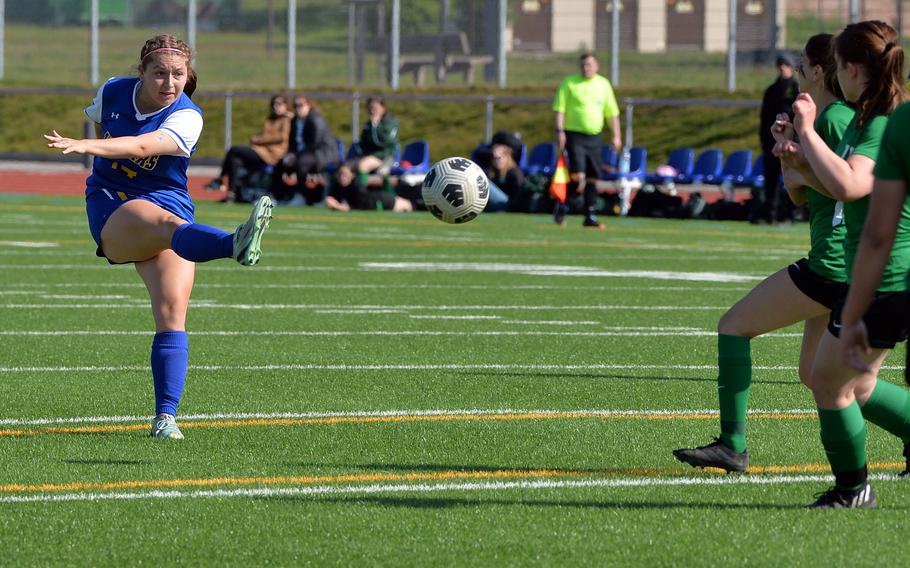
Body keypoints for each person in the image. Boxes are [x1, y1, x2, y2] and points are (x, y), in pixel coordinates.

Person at [44, 34, 273, 440]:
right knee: (165, 227)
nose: (169, 83)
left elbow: (143, 144)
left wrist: (89, 145)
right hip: (113, 202)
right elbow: (105, 121)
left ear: (189, 76)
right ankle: (230, 244)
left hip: (168, 201)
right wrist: (97, 150)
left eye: (178, 74)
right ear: (141, 73)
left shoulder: (188, 116)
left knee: (171, 312)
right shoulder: (114, 90)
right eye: (160, 74)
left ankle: (165, 417)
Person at [672, 34, 855, 473]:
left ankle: (733, 444)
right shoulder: (828, 118)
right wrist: (788, 154)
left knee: (734, 327)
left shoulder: (833, 119)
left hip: (834, 262)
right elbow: (797, 193)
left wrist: (798, 158)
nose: (798, 72)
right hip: (840, 259)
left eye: (803, 64)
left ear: (819, 70)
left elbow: (845, 186)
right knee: (817, 377)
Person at [782, 21, 910, 508]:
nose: (835, 75)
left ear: (854, 69)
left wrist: (808, 131)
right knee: (849, 383)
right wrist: (798, 156)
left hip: (887, 278)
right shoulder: (866, 118)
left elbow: (850, 186)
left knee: (830, 382)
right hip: (881, 276)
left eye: (838, 67)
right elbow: (838, 187)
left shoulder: (883, 123)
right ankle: (854, 487)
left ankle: (854, 489)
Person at [552, 52, 621, 229]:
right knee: (578, 176)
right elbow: (560, 109)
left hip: (595, 137)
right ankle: (562, 205)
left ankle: (589, 215)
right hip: (574, 135)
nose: (586, 68)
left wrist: (616, 135)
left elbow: (611, 113)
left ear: (596, 66)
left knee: (592, 178)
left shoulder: (603, 84)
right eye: (583, 65)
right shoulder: (570, 83)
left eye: (589, 65)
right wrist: (560, 131)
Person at [206, 94, 291, 202]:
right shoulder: (270, 119)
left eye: (279, 104)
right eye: (274, 104)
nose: (276, 106)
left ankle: (220, 179)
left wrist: (259, 140)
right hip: (261, 150)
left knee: (234, 150)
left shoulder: (287, 119)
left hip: (271, 154)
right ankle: (232, 194)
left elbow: (281, 137)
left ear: (285, 105)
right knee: (235, 161)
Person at [754, 54, 799, 224]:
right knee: (771, 181)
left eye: (786, 64)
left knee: (791, 179)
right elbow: (764, 118)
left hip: (791, 143)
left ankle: (790, 214)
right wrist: (765, 141)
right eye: (780, 64)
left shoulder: (796, 89)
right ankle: (770, 214)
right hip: (771, 143)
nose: (782, 68)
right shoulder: (771, 90)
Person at [275, 94, 340, 204]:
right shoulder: (295, 120)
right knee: (281, 163)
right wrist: (290, 154)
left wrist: (296, 156)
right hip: (303, 153)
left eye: (301, 105)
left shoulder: (315, 119)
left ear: (309, 105)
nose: (298, 108)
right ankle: (279, 197)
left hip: (321, 154)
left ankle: (303, 196)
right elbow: (292, 143)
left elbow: (315, 143)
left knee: (301, 163)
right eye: (295, 106)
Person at [350, 96, 400, 192]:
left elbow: (385, 140)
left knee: (363, 166)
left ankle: (362, 196)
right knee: (345, 168)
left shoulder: (391, 122)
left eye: (375, 108)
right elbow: (364, 142)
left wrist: (376, 126)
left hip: (385, 156)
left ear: (383, 108)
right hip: (370, 156)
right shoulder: (369, 125)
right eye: (370, 108)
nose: (372, 111)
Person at [325, 163, 413, 212]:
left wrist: (337, 206)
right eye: (340, 174)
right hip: (378, 200)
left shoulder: (356, 188)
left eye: (345, 174)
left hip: (383, 200)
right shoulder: (337, 186)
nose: (342, 177)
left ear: (352, 175)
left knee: (409, 206)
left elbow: (353, 208)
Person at [486, 143, 525, 212]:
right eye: (494, 158)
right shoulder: (494, 172)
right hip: (500, 204)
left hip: (508, 205)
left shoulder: (514, 172)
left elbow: (519, 194)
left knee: (484, 180)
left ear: (507, 157)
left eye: (499, 158)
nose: (496, 161)